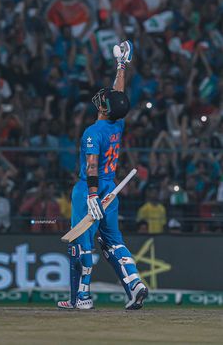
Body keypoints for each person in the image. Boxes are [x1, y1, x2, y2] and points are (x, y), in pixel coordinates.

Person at [58, 41, 148, 311]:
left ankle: (81, 298)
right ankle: (134, 284)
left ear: (105, 109)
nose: (103, 98)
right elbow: (118, 95)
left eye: (105, 101)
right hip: (112, 189)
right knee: (112, 240)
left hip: (90, 189)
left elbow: (92, 166)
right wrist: (122, 65)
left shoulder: (92, 133)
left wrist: (93, 195)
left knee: (80, 244)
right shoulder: (117, 123)